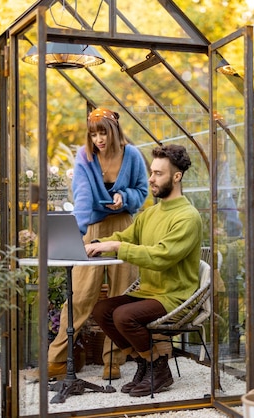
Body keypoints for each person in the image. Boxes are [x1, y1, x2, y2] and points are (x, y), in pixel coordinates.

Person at [86, 144, 202, 397]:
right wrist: (94, 245)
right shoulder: (149, 214)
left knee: (124, 316)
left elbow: (161, 257)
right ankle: (145, 363)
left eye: (158, 173)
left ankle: (158, 368)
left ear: (176, 176)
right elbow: (124, 236)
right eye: (151, 172)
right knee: (102, 310)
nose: (150, 178)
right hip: (149, 292)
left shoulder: (187, 217)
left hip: (175, 296)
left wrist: (117, 246)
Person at [44, 107, 148, 381]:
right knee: (80, 294)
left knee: (120, 296)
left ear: (114, 131)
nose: (99, 139)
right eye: (93, 134)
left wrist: (124, 198)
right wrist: (78, 234)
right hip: (92, 229)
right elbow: (81, 197)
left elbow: (142, 190)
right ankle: (55, 360)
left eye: (103, 132)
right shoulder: (85, 157)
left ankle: (113, 362)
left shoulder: (133, 155)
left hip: (124, 228)